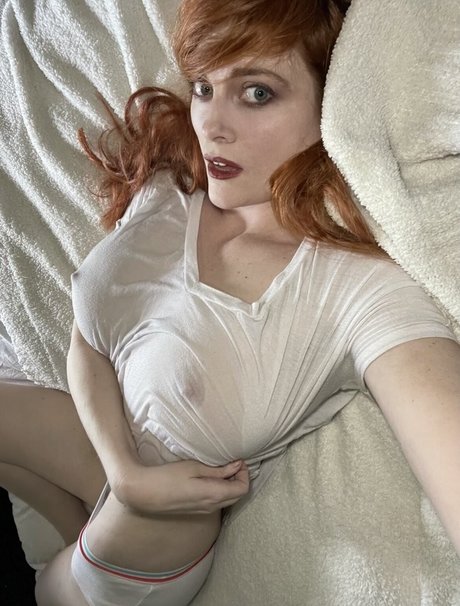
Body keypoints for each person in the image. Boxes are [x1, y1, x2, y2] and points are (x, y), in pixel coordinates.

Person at [0, 0, 459, 604]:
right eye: (204, 87)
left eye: (257, 93)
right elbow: (88, 338)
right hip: (104, 461)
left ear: (332, 99)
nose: (212, 124)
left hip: (136, 561)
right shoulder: (171, 189)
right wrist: (124, 475)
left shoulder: (357, 291)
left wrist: (134, 493)